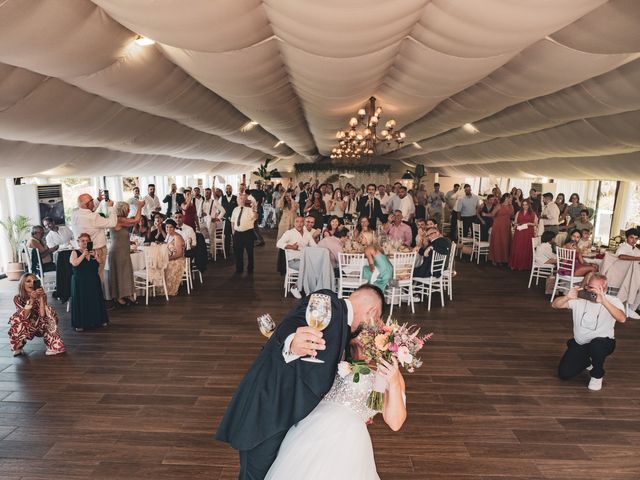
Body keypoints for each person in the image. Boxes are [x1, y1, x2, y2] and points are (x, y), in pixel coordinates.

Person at [216, 285, 385, 479]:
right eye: (378, 320)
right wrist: (291, 342)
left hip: (289, 421)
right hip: (266, 411)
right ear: (373, 312)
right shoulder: (330, 303)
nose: (376, 327)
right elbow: (291, 323)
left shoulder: (345, 338)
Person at [552, 273, 627, 391]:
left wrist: (604, 302)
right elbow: (555, 305)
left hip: (603, 343)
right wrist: (567, 297)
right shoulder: (579, 299)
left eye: (598, 288)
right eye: (591, 287)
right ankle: (588, 360)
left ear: (605, 289)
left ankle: (597, 374)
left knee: (597, 345)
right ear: (586, 286)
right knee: (564, 374)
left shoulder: (613, 301)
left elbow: (622, 318)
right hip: (581, 343)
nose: (593, 291)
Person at [8, 273, 65, 356]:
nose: (31, 283)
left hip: (40, 326)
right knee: (15, 318)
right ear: (22, 284)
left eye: (34, 281)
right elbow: (23, 316)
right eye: (28, 281)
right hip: (26, 326)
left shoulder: (42, 295)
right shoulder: (18, 298)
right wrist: (31, 299)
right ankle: (18, 345)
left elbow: (43, 315)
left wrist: (41, 297)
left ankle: (54, 346)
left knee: (49, 310)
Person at [71, 193, 117, 281]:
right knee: (98, 276)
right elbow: (112, 223)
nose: (93, 203)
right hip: (96, 250)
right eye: (92, 201)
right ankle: (98, 294)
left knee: (87, 277)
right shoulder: (93, 217)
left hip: (80, 251)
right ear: (87, 204)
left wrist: (98, 200)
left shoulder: (74, 213)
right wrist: (110, 207)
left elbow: (87, 208)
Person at [70, 233, 109, 330]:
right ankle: (81, 324)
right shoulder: (74, 252)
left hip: (93, 279)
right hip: (80, 281)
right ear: (78, 242)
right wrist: (84, 254)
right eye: (82, 241)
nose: (85, 243)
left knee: (95, 299)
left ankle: (98, 320)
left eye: (87, 241)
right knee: (82, 301)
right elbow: (75, 263)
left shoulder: (94, 251)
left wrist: (96, 256)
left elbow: (100, 263)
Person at [109, 201, 144, 307]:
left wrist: (130, 242)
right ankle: (119, 297)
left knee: (126, 273)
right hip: (118, 252)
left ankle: (127, 294)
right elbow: (136, 220)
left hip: (123, 250)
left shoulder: (118, 220)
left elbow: (119, 236)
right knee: (120, 273)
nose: (129, 211)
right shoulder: (118, 220)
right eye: (128, 209)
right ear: (123, 210)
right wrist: (139, 207)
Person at [231, 193, 258, 273]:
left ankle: (250, 268)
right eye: (240, 199)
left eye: (243, 198)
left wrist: (254, 209)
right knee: (238, 252)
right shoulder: (235, 209)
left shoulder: (250, 209)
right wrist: (233, 231)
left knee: (250, 252)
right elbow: (232, 221)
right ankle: (239, 268)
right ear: (237, 201)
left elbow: (255, 217)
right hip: (237, 234)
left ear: (245, 200)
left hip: (248, 233)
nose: (241, 200)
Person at [508, 199, 538, 270]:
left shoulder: (533, 213)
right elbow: (515, 222)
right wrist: (517, 224)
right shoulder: (518, 212)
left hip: (528, 232)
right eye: (523, 205)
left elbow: (536, 223)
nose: (525, 206)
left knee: (525, 248)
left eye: (526, 205)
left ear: (529, 205)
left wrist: (528, 223)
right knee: (517, 247)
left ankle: (523, 265)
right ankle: (515, 264)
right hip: (519, 231)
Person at [488, 193, 513, 266]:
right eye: (509, 198)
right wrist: (486, 214)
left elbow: (512, 215)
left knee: (505, 242)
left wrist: (511, 204)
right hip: (498, 226)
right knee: (497, 242)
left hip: (506, 226)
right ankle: (495, 259)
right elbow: (492, 214)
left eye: (511, 198)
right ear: (505, 198)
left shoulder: (510, 206)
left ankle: (502, 259)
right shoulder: (499, 205)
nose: (510, 199)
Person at [163, 219, 186, 295]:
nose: (168, 229)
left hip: (178, 260)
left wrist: (168, 258)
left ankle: (167, 289)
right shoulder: (168, 235)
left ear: (174, 228)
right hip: (171, 257)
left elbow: (179, 254)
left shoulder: (177, 237)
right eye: (167, 227)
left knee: (164, 265)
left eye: (171, 227)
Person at [221, 185, 238, 254]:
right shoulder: (222, 198)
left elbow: (237, 209)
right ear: (225, 190)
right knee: (227, 236)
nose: (228, 190)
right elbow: (219, 209)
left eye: (230, 189)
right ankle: (227, 251)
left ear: (232, 190)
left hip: (234, 220)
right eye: (227, 189)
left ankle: (236, 250)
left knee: (235, 235)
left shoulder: (235, 198)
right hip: (225, 220)